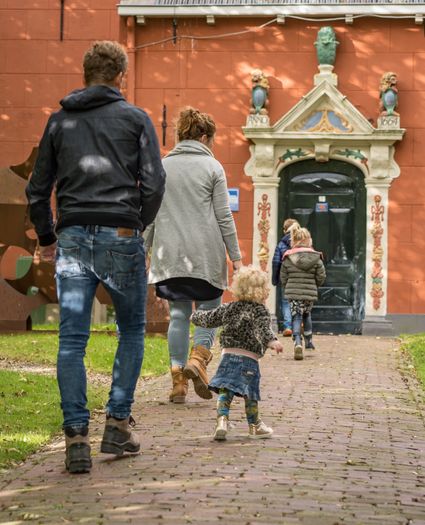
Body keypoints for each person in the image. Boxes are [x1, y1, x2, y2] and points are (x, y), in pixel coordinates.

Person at [25, 41, 166, 474]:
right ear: (121, 75)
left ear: (85, 75)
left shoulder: (59, 121)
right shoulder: (137, 119)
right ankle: (117, 425)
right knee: (132, 330)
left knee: (71, 340)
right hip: (120, 233)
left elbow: (37, 188)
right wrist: (136, 224)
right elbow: (155, 183)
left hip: (71, 236)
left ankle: (76, 439)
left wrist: (48, 234)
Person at [144, 107, 242, 404]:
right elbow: (224, 216)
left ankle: (177, 382)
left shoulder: (162, 167)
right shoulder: (213, 167)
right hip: (205, 256)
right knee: (209, 310)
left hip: (170, 256)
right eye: (212, 140)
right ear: (203, 137)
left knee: (178, 314)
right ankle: (198, 360)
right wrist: (236, 256)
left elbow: (151, 213)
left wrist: (143, 248)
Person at [191, 265, 283, 441]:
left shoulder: (229, 307)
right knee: (250, 393)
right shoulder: (260, 310)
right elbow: (263, 330)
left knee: (226, 389)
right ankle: (255, 425)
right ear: (261, 291)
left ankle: (222, 421)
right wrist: (272, 341)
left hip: (227, 356)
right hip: (248, 359)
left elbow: (210, 318)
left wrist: (194, 317)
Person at [280, 226, 326, 361]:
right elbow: (321, 276)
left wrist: (287, 286)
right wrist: (315, 285)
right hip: (309, 293)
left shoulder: (288, 257)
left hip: (293, 293)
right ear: (309, 240)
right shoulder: (316, 257)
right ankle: (309, 340)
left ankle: (297, 342)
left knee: (296, 317)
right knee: (307, 314)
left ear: (293, 241)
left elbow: (283, 276)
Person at [271, 218, 299, 336]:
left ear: (284, 230)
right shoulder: (302, 242)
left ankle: (288, 326)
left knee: (286, 301)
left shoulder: (281, 244)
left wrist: (274, 279)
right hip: (300, 277)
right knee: (299, 300)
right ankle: (299, 324)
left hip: (286, 278)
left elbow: (276, 262)